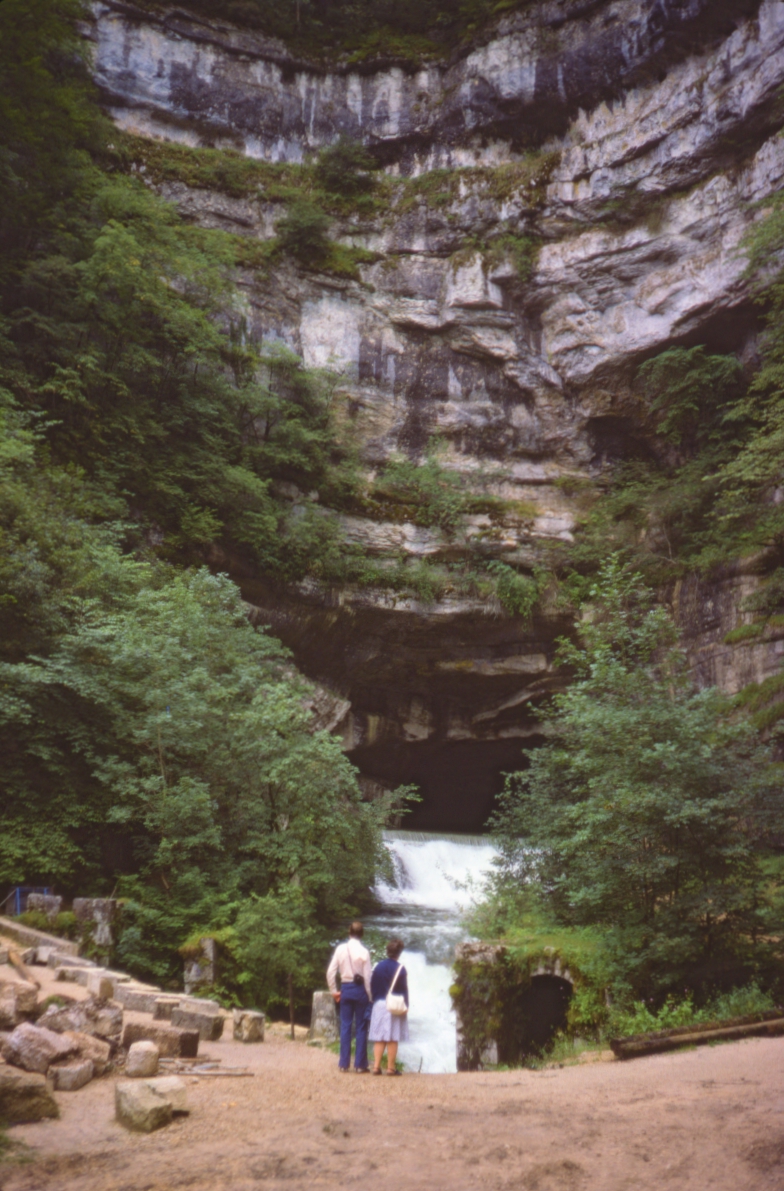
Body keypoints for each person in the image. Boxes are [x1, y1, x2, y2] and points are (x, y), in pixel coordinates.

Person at [326, 920, 372, 1073]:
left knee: (345, 1026)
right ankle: (360, 1065)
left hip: (345, 988)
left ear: (349, 932)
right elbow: (368, 978)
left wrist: (334, 991)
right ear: (362, 934)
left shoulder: (340, 949)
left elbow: (330, 972)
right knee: (361, 1027)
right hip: (360, 990)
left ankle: (343, 1064)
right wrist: (370, 996)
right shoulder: (364, 952)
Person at [369, 938, 409, 1075]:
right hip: (394, 1005)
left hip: (379, 1004)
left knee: (379, 1037)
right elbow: (403, 989)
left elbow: (372, 985)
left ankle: (376, 1067)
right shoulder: (400, 969)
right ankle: (391, 1068)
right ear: (399, 952)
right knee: (393, 1037)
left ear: (387, 951)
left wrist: (375, 999)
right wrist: (406, 1006)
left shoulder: (378, 967)